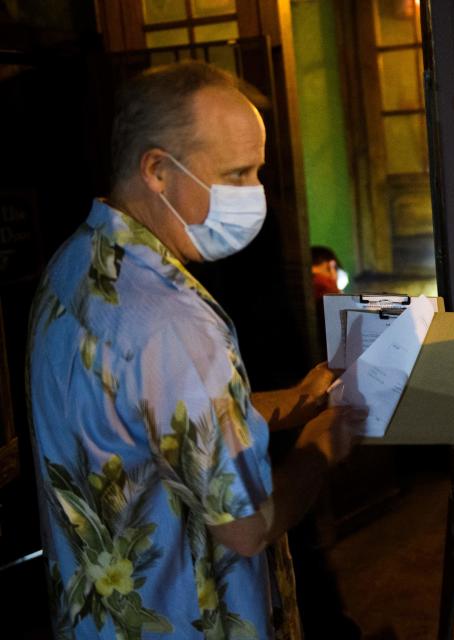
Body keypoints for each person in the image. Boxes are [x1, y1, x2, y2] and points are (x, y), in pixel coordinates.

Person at [27, 61, 360, 638]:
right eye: (236, 175)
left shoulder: (76, 266)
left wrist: (293, 402)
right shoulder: (174, 320)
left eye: (258, 171)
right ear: (157, 168)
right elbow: (247, 527)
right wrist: (319, 449)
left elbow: (156, 419)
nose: (254, 195)